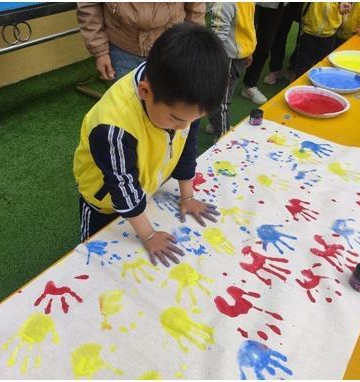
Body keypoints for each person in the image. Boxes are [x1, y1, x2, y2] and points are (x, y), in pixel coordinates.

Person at [73, 24, 229, 267]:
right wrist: (148, 235)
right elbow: (122, 187)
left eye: (192, 120)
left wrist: (187, 196)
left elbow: (187, 147)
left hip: (144, 187)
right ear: (145, 91)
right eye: (176, 120)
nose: (184, 126)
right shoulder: (113, 126)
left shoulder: (182, 104)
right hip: (102, 204)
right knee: (93, 258)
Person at [76, 2, 206, 81]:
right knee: (125, 109)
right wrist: (100, 51)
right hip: (121, 47)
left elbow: (195, 7)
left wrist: (192, 44)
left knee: (170, 105)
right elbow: (89, 5)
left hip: (171, 46)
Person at [206, 2, 257, 137]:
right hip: (226, 58)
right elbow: (217, 36)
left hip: (238, 55)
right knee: (222, 100)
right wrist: (218, 61)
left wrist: (248, 51)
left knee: (225, 94)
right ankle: (222, 133)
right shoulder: (226, 4)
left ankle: (215, 124)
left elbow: (248, 26)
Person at [240, 2, 288, 104]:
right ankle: (221, 81)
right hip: (251, 4)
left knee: (264, 45)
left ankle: (250, 85)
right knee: (240, 36)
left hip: (276, 6)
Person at [294, 2, 352, 77]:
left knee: (323, 65)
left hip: (330, 32)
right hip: (308, 30)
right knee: (303, 63)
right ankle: (299, 83)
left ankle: (319, 85)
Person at [263, 2, 303, 84]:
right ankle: (275, 69)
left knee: (303, 34)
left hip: (306, 4)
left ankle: (293, 67)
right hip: (285, 4)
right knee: (279, 32)